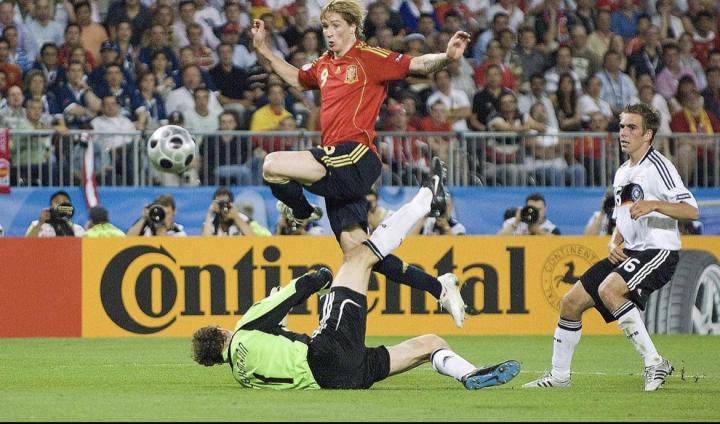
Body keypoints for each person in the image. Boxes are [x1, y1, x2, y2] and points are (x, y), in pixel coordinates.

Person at [191, 163, 521, 390]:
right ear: (221, 330)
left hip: (342, 378)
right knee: (358, 257)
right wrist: (320, 284)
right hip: (326, 354)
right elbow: (304, 285)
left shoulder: (243, 376)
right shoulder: (245, 328)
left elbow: (281, 353)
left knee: (429, 344)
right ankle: (424, 201)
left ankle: (469, 374)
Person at [250, 0, 470, 327]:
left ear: (353, 27)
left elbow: (418, 64)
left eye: (336, 25)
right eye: (326, 27)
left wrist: (447, 57)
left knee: (272, 164)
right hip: (336, 167)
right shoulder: (324, 64)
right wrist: (263, 49)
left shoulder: (369, 57)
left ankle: (302, 211)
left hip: (356, 155)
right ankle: (439, 287)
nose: (329, 33)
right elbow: (296, 78)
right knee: (360, 256)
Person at [522, 103, 699, 391]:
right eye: (622, 126)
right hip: (631, 251)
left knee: (609, 290)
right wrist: (614, 240)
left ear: (648, 134)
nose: (624, 133)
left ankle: (654, 362)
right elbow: (622, 217)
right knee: (570, 302)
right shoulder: (622, 173)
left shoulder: (659, 166)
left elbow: (691, 210)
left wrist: (655, 204)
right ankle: (559, 376)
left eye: (632, 127)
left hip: (659, 250)